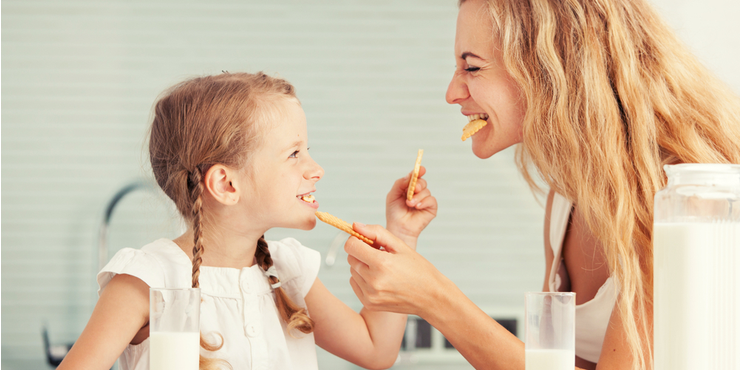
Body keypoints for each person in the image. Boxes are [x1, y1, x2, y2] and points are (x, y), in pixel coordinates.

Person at [344, 0, 740, 369]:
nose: (452, 93)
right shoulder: (566, 198)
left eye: (473, 67)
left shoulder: (687, 200)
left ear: (551, 70)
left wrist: (434, 299)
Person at [57, 72, 437, 370]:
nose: (316, 169)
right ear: (226, 183)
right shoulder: (147, 282)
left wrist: (401, 233)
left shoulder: (288, 273)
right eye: (293, 154)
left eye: (308, 151)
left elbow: (376, 349)